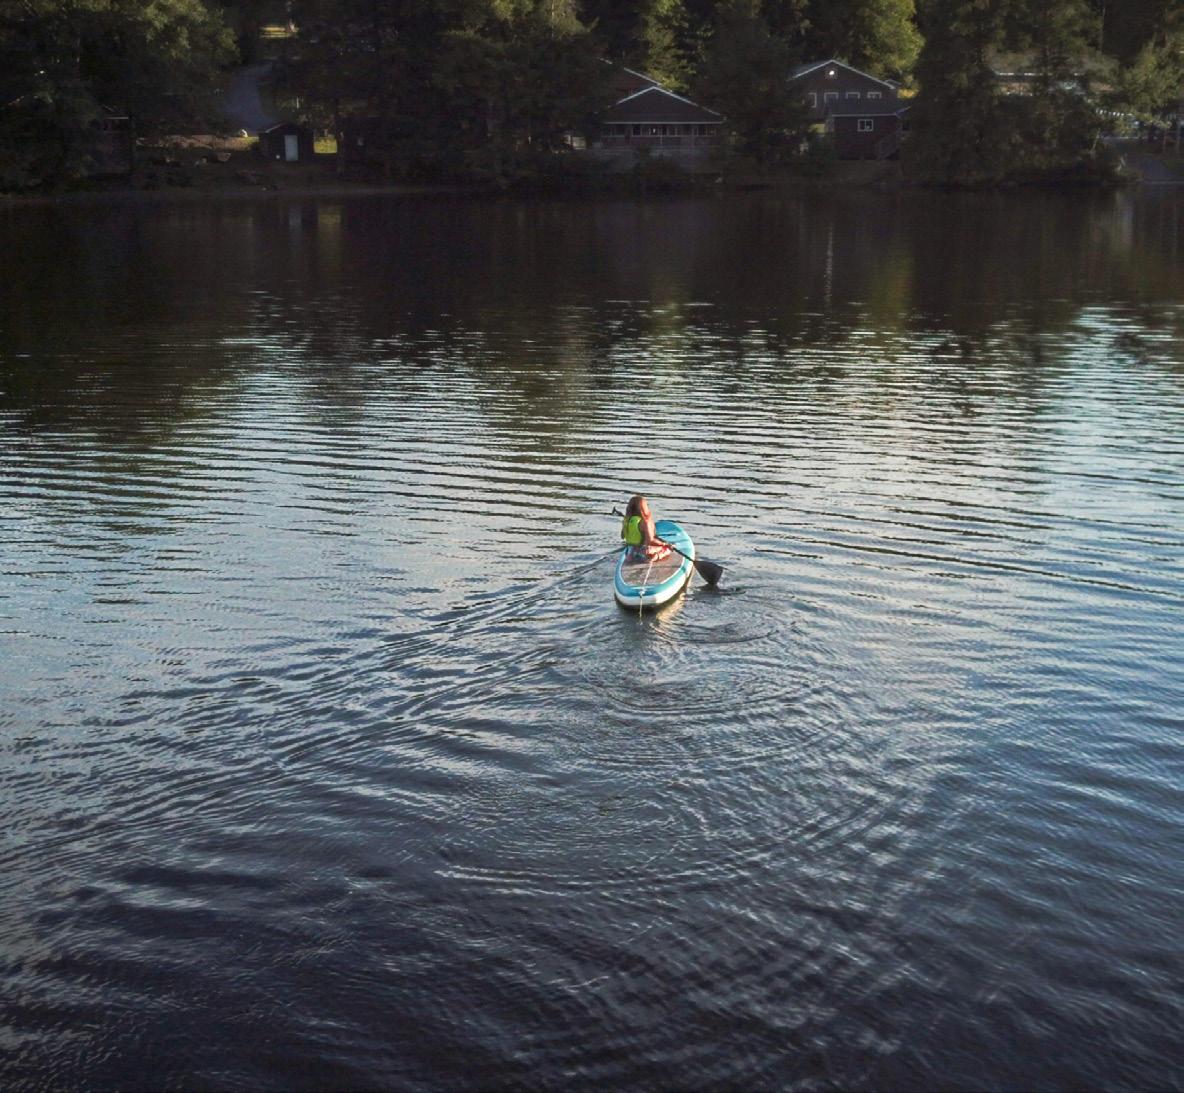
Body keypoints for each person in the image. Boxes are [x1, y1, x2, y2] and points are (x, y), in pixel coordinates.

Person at [621, 494, 671, 561]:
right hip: (643, 553)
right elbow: (651, 541)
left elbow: (622, 536)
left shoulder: (625, 520)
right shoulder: (644, 522)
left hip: (629, 551)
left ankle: (630, 557)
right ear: (644, 508)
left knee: (633, 549)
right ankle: (655, 557)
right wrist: (664, 544)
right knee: (667, 548)